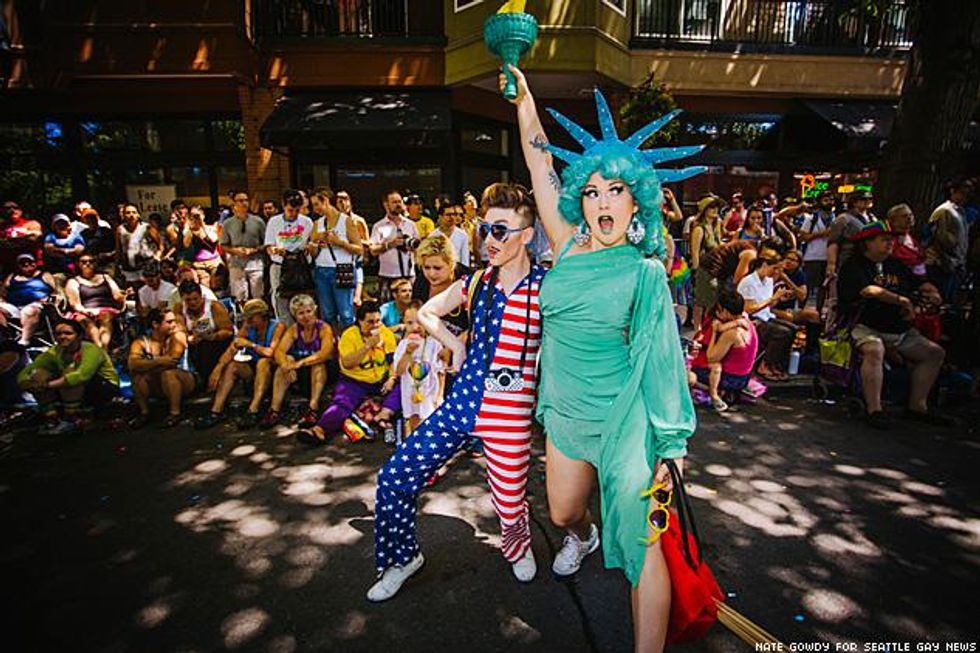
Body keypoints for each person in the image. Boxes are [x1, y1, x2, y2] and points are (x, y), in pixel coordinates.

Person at [509, 66, 699, 652]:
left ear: (636, 198)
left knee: (644, 542)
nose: (601, 202)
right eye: (591, 191)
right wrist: (525, 101)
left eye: (615, 190)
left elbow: (663, 359)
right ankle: (583, 537)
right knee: (564, 513)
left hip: (625, 420)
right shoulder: (565, 245)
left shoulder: (645, 273)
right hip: (565, 413)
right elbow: (539, 161)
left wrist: (671, 446)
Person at [369, 183, 545, 601]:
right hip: (463, 401)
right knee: (394, 477)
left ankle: (517, 545)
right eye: (486, 228)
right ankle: (402, 558)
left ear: (528, 234)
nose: (489, 239)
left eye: (501, 230)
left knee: (508, 501)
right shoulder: (477, 283)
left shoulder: (546, 288)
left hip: (510, 410)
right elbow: (427, 312)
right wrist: (457, 344)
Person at [837, 222, 951, 430]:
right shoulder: (853, 266)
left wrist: (933, 293)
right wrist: (903, 301)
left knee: (934, 353)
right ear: (867, 243)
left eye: (891, 239)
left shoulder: (896, 265)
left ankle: (917, 406)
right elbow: (869, 290)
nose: (891, 243)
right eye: (885, 239)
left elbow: (920, 282)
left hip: (898, 329)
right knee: (874, 350)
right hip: (864, 326)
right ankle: (875, 409)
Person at [295, 301, 399, 444]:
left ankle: (383, 415)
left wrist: (391, 379)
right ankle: (319, 430)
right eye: (370, 322)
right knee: (342, 402)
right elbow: (348, 364)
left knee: (404, 385)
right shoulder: (349, 336)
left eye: (378, 321)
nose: (375, 325)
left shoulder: (386, 333)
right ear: (360, 321)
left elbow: (392, 360)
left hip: (380, 380)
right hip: (355, 380)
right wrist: (368, 345)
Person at [17, 318, 120, 434]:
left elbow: (82, 375)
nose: (62, 337)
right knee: (38, 374)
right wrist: (27, 383)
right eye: (58, 334)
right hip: (70, 388)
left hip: (103, 387)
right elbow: (28, 370)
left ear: (79, 336)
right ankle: (52, 418)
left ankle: (71, 417)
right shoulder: (55, 351)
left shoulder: (91, 349)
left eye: (68, 333)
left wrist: (47, 385)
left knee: (70, 373)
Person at [196, 299, 286, 429]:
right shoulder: (248, 327)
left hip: (272, 370)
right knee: (232, 366)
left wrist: (251, 345)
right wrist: (218, 369)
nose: (248, 321)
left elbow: (270, 352)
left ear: (262, 315)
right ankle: (216, 410)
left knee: (263, 362)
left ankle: (253, 409)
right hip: (254, 370)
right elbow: (232, 348)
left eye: (252, 317)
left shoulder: (277, 327)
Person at [262, 294, 333, 429]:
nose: (306, 316)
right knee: (285, 361)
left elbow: (324, 353)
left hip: (322, 371)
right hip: (300, 374)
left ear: (315, 310)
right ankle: (274, 410)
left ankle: (313, 407)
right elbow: (279, 351)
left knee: (317, 363)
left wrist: (300, 363)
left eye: (308, 311)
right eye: (301, 313)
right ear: (294, 315)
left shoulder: (324, 328)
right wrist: (286, 365)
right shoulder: (293, 329)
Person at [688, 289, 758, 412]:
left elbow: (712, 357)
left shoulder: (731, 333)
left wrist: (715, 332)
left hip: (731, 380)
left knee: (699, 371)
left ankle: (714, 393)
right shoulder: (747, 323)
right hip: (744, 378)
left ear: (725, 311)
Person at [127, 308, 196, 429]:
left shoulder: (177, 336)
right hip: (157, 382)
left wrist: (146, 364)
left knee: (168, 374)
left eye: (174, 321)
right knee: (136, 375)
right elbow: (132, 364)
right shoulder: (142, 341)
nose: (174, 325)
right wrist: (158, 360)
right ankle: (144, 413)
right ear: (155, 324)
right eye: (169, 322)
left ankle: (175, 413)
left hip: (185, 379)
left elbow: (171, 362)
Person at [737, 247, 796, 381]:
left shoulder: (768, 281)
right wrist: (773, 298)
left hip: (766, 317)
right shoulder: (749, 282)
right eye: (774, 268)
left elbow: (767, 305)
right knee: (781, 332)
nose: (776, 272)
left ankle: (776, 364)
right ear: (764, 265)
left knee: (792, 329)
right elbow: (749, 309)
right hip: (752, 321)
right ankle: (764, 365)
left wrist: (779, 299)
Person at [386, 301, 444, 433]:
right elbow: (399, 371)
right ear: (404, 324)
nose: (415, 327)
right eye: (410, 323)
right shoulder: (403, 345)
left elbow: (441, 371)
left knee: (427, 425)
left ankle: (425, 451)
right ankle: (411, 449)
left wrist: (440, 395)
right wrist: (407, 353)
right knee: (413, 423)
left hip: (429, 394)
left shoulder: (435, 344)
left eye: (419, 322)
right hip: (410, 393)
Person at [309, 187, 363, 329]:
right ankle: (330, 344)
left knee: (346, 313)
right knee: (327, 314)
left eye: (316, 204)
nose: (315, 209)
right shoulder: (317, 224)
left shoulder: (346, 221)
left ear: (325, 201)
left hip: (342, 268)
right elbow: (313, 253)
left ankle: (349, 344)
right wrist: (315, 247)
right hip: (322, 270)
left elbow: (359, 249)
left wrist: (339, 243)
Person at [265, 189, 314, 324]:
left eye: (297, 211)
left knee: (303, 300)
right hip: (280, 266)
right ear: (283, 206)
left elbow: (312, 242)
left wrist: (310, 247)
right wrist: (275, 250)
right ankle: (286, 329)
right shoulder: (274, 222)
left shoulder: (307, 222)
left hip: (301, 266)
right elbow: (268, 246)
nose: (293, 214)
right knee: (281, 300)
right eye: (290, 210)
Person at [65, 254, 128, 350]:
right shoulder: (73, 281)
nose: (88, 264)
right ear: (78, 264)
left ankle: (103, 350)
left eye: (91, 261)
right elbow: (75, 303)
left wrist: (124, 295)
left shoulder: (105, 277)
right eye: (84, 262)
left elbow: (116, 295)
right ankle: (100, 349)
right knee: (86, 322)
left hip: (106, 308)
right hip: (84, 310)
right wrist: (85, 311)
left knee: (106, 317)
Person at [925, 178, 973, 301]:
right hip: (940, 264)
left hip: (954, 264)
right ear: (953, 191)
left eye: (967, 194)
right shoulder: (945, 210)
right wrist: (945, 262)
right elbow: (936, 238)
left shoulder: (960, 211)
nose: (965, 197)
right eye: (962, 193)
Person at [174, 280, 234, 377]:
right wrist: (188, 338)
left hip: (216, 342)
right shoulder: (179, 308)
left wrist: (214, 336)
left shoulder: (214, 307)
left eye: (195, 299)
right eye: (188, 300)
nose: (193, 303)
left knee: (206, 348)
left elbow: (228, 331)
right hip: (194, 343)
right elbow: (180, 329)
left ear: (201, 296)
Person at [370, 190, 419, 300]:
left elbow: (419, 247)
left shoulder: (410, 225)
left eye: (399, 201)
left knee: (410, 309)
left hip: (409, 275)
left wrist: (411, 246)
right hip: (388, 275)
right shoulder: (379, 226)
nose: (398, 205)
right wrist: (389, 245)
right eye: (394, 202)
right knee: (386, 309)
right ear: (386, 204)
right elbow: (372, 250)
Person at [220, 189, 267, 303]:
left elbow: (266, 243)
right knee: (239, 297)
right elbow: (223, 245)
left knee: (258, 295)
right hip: (236, 263)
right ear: (234, 204)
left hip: (255, 262)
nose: (244, 203)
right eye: (240, 200)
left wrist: (253, 250)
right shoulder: (228, 223)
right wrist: (235, 251)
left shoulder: (258, 221)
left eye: (246, 200)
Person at [0, 254, 55, 347]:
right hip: (14, 307)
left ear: (35, 263)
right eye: (23, 263)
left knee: (29, 310)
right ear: (18, 266)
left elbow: (56, 292)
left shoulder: (44, 275)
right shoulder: (12, 276)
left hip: (37, 306)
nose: (26, 264)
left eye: (30, 262)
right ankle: (7, 337)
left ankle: (23, 342)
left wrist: (51, 300)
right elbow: (3, 292)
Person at [690, 195, 725, 327]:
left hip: (715, 268)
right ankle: (698, 329)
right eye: (711, 207)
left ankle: (707, 327)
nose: (715, 210)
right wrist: (696, 271)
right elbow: (694, 252)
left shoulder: (717, 226)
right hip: (703, 269)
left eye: (716, 207)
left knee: (712, 301)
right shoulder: (699, 228)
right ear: (704, 209)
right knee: (700, 301)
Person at [798, 191, 834, 313]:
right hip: (812, 257)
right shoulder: (812, 218)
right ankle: (801, 310)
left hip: (829, 258)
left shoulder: (836, 218)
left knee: (823, 287)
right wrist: (822, 234)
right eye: (826, 200)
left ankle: (818, 311)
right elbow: (803, 237)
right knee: (807, 286)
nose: (829, 202)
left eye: (830, 200)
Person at [337, 190, 371, 309]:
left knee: (357, 298)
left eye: (345, 199)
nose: (343, 203)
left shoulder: (358, 221)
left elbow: (368, 242)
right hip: (338, 262)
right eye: (339, 200)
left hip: (356, 261)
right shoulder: (331, 221)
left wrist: (354, 242)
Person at [182, 206, 222, 290]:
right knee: (204, 286)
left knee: (216, 285)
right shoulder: (188, 230)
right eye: (192, 216)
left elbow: (213, 239)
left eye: (197, 215)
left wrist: (202, 225)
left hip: (214, 262)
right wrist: (190, 227)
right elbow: (186, 244)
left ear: (203, 216)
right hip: (199, 264)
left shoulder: (211, 228)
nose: (195, 218)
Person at [42, 214, 85, 290]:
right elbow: (49, 250)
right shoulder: (50, 236)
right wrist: (67, 251)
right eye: (58, 224)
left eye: (64, 223)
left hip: (75, 269)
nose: (61, 226)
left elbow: (79, 250)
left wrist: (59, 251)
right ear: (54, 226)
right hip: (56, 270)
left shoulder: (76, 236)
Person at [887, 203, 927, 279]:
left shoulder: (911, 237)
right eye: (904, 216)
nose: (909, 218)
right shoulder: (890, 241)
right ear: (893, 221)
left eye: (911, 215)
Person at [431, 200, 471, 270]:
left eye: (454, 214)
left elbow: (465, 260)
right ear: (440, 216)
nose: (452, 217)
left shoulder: (463, 235)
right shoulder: (433, 236)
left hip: (458, 271)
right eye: (448, 215)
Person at [116, 204, 146, 286]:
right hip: (127, 267)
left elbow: (160, 245)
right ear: (124, 215)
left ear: (138, 214)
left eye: (134, 212)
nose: (131, 215)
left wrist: (157, 257)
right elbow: (118, 249)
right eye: (128, 213)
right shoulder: (120, 230)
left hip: (144, 266)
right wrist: (117, 266)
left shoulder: (146, 228)